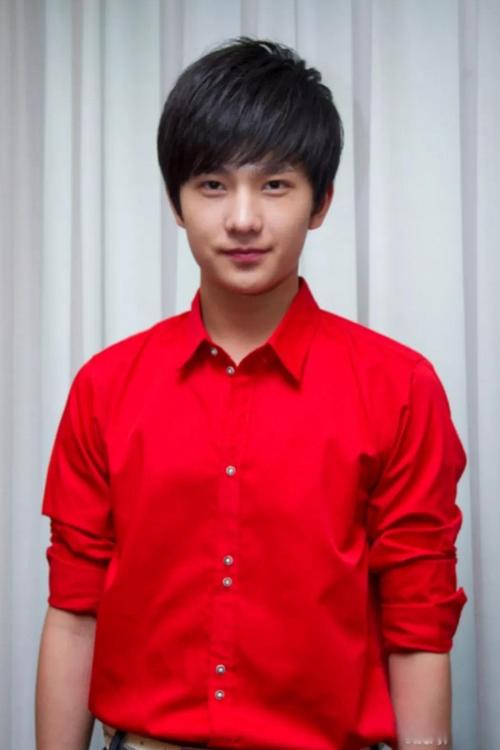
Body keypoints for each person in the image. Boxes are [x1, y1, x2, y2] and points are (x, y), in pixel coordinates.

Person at [35, 36, 467, 750]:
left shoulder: (400, 388)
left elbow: (417, 624)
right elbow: (75, 611)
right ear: (176, 202)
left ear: (321, 202)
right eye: (212, 184)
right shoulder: (105, 388)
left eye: (274, 185)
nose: (242, 219)